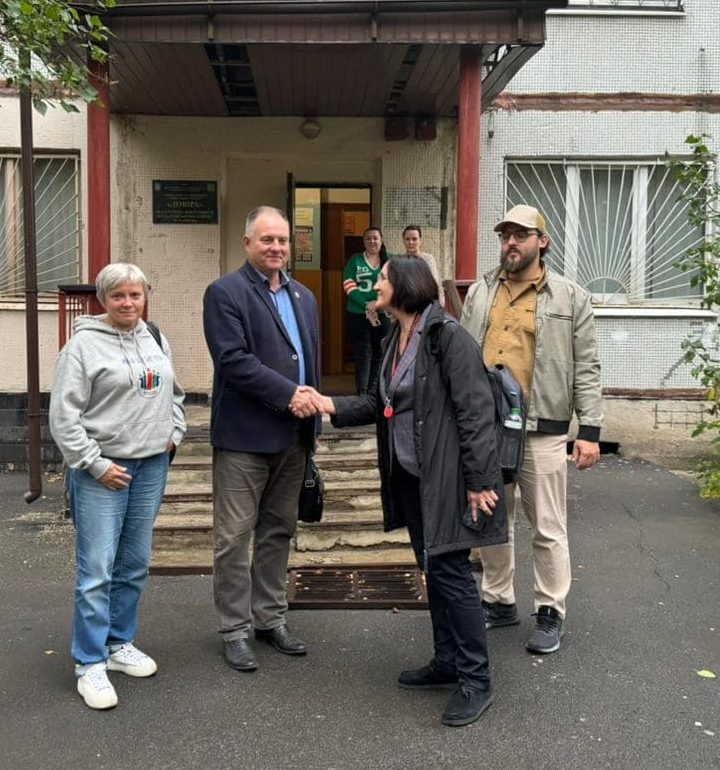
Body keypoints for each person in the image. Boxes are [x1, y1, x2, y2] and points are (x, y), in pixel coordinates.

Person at [313, 255, 505, 727]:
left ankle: (476, 680)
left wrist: (480, 482)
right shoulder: (392, 336)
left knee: (453, 573)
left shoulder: (447, 336)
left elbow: (475, 412)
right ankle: (446, 661)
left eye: (380, 279)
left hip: (449, 479)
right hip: (411, 476)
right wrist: (327, 404)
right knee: (433, 569)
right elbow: (380, 402)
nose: (373, 283)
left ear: (404, 285)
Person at [459, 204, 602, 655]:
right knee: (491, 521)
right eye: (505, 235)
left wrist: (590, 429)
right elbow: (461, 358)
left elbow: (587, 368)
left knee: (547, 525)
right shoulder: (481, 291)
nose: (511, 243)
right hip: (488, 429)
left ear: (541, 241)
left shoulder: (570, 297)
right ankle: (498, 599)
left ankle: (550, 609)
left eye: (521, 235)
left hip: (542, 428)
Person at [49, 262, 186, 710]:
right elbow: (64, 419)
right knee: (97, 570)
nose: (129, 303)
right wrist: (93, 463)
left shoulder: (156, 337)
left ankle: (118, 643)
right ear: (102, 301)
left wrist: (174, 434)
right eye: (118, 296)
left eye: (136, 295)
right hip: (102, 474)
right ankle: (88, 663)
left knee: (135, 563)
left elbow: (176, 395)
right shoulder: (82, 348)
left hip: (150, 467)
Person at [202, 205, 322, 673]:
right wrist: (291, 394)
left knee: (278, 531)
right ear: (247, 242)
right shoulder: (225, 293)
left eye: (283, 241)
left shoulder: (304, 296)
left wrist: (311, 413)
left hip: (294, 438)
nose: (276, 248)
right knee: (233, 538)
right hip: (244, 438)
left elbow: (307, 359)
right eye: (267, 240)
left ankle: (270, 620)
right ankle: (233, 630)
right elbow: (233, 361)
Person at [342, 227, 389, 395]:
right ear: (363, 242)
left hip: (382, 313)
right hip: (357, 314)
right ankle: (362, 391)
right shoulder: (355, 260)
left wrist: (377, 304)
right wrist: (366, 304)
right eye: (368, 238)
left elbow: (394, 285)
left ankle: (373, 390)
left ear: (381, 240)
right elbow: (348, 283)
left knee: (379, 352)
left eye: (375, 238)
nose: (372, 241)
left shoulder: (388, 260)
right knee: (363, 352)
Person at [401, 224, 443, 305]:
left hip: (425, 304)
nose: (410, 242)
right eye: (407, 239)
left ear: (420, 240)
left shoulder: (428, 259)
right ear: (403, 241)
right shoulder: (399, 261)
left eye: (414, 239)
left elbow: (434, 283)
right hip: (405, 306)